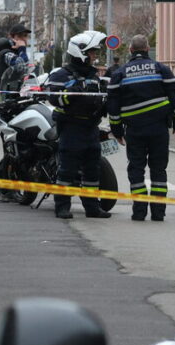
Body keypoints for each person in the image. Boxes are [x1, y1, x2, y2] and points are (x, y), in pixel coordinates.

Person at [107, 34, 175, 221]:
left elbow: (113, 107)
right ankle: (158, 213)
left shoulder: (121, 73)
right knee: (158, 170)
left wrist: (117, 131)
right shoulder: (161, 69)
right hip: (159, 129)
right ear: (147, 48)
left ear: (131, 50)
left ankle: (139, 211)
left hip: (134, 130)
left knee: (136, 169)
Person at [46, 30, 112, 220]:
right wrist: (78, 90)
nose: (94, 56)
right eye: (92, 52)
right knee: (67, 171)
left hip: (91, 128)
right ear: (80, 52)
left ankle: (92, 207)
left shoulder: (94, 75)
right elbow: (55, 98)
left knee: (92, 171)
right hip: (71, 129)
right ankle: (62, 207)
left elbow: (101, 99)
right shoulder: (61, 75)